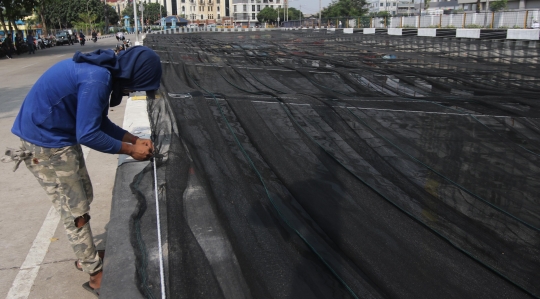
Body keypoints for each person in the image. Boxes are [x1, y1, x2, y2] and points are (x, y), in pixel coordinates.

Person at [7, 46, 161, 297]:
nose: (132, 90)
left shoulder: (105, 71)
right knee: (74, 209)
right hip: (45, 144)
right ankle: (94, 273)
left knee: (83, 196)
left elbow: (99, 122)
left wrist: (135, 139)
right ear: (133, 75)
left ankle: (87, 255)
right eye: (136, 86)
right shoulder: (97, 79)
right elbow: (88, 134)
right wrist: (130, 150)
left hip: (59, 137)